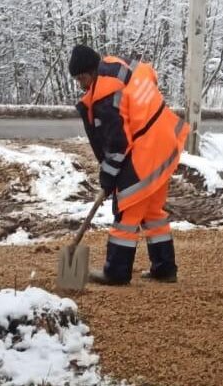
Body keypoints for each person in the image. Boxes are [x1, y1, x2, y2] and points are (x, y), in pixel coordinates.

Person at [69, 44, 189, 285]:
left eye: (82, 78)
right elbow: (149, 75)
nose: (81, 85)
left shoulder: (104, 94)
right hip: (166, 141)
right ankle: (165, 268)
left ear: (92, 71)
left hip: (146, 150)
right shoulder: (117, 66)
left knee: (127, 209)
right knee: (153, 212)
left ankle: (116, 272)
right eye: (77, 79)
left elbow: (117, 145)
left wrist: (108, 177)